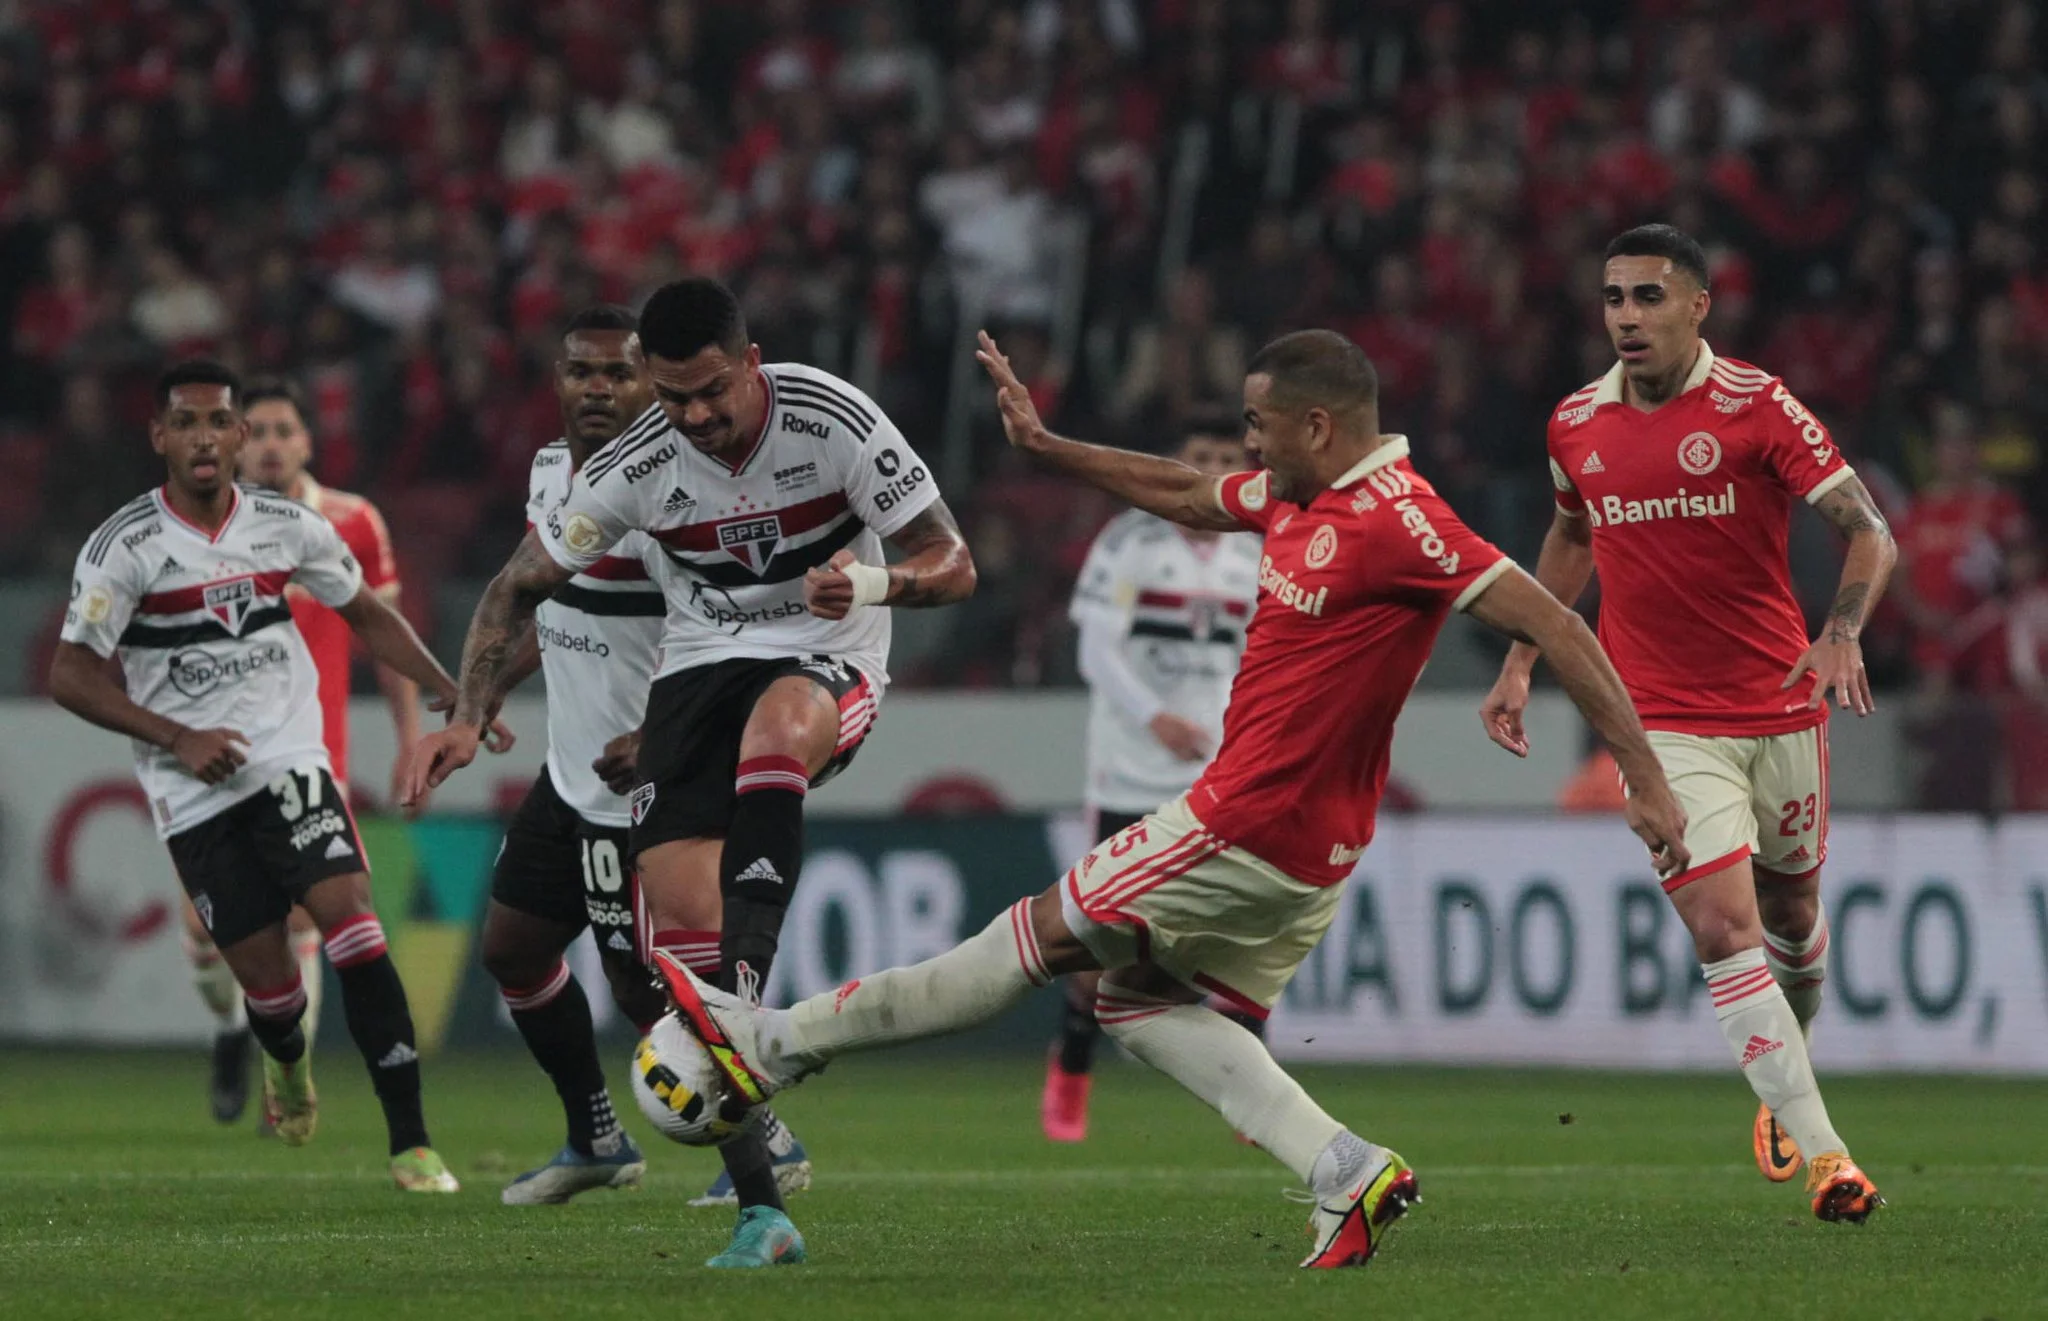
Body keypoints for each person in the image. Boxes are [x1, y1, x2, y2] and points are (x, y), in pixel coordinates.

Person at [648, 328, 1688, 1270]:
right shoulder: (1297, 496)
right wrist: (1050, 448)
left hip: (1241, 822)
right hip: (1308, 853)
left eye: (1255, 424)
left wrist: (1640, 775)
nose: (1243, 445)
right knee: (1136, 1004)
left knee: (1024, 943)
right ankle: (1342, 1168)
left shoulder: (1399, 522)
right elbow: (1187, 496)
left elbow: (1563, 624)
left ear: (1315, 424)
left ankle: (771, 1045)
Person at [404, 278, 977, 1266]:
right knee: (674, 944)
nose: (698, 416)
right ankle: (763, 1211)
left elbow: (953, 562)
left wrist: (873, 580)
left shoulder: (832, 418)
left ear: (751, 362)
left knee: (775, 728)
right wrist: (467, 712)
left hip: (827, 652)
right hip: (699, 669)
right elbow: (516, 588)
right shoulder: (634, 466)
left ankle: (747, 990)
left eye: (713, 391)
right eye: (675, 398)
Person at [1480, 224, 1898, 1223]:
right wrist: (1522, 652)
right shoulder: (1573, 422)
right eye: (1612, 298)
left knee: (1792, 920)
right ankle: (1828, 1155)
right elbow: (1570, 533)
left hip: (1779, 707)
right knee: (1723, 925)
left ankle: (1779, 1079)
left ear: (1696, 307)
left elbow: (1866, 530)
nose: (1625, 315)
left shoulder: (1758, 408)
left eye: (1647, 297)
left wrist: (1839, 630)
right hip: (1655, 723)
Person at [49, 360, 504, 1192]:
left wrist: (448, 689)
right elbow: (70, 675)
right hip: (194, 792)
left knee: (353, 922)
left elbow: (365, 610)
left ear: (238, 436)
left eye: (221, 422)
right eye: (183, 423)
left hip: (292, 760)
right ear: (160, 437)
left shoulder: (285, 527)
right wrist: (177, 737)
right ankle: (285, 1061)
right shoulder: (126, 547)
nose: (205, 438)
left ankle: (412, 1140)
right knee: (272, 988)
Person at [476, 306, 810, 1207]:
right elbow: (552, 605)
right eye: (580, 373)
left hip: (651, 780)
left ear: (650, 387)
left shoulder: (679, 487)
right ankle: (595, 1134)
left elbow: (729, 626)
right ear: (555, 380)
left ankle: (764, 1141)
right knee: (512, 949)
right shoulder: (553, 473)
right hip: (569, 771)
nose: (598, 390)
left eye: (618, 375)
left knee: (645, 985)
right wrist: (489, 691)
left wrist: (665, 733)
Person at [177, 377, 421, 1134]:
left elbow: (383, 633)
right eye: (263, 431)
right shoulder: (194, 528)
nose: (275, 443)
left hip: (313, 757)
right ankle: (228, 1031)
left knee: (304, 922)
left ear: (308, 443)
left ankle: (291, 1079)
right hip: (215, 767)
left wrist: (411, 739)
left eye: (288, 429)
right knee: (207, 939)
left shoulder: (350, 522)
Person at [1043, 415, 1260, 1143]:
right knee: (1104, 937)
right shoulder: (1131, 539)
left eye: (1229, 457)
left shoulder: (1257, 551)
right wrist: (1156, 715)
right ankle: (1073, 1059)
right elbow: (1096, 654)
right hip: (1132, 765)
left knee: (1242, 924)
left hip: (1219, 771)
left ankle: (1255, 1093)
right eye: (1202, 456)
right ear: (1177, 462)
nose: (1215, 468)